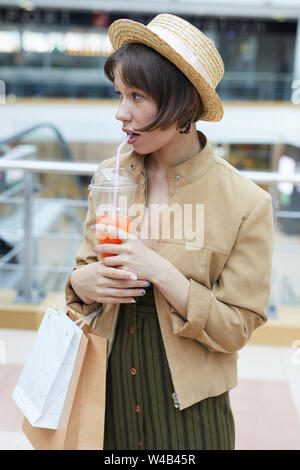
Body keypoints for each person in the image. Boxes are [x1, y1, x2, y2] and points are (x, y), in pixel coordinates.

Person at [65, 14, 274, 450]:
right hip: (107, 399)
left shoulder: (246, 203)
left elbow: (237, 327)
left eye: (137, 96)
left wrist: (161, 272)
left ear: (183, 103)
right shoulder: (110, 176)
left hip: (191, 414)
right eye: (120, 94)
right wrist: (81, 281)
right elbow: (82, 275)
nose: (121, 112)